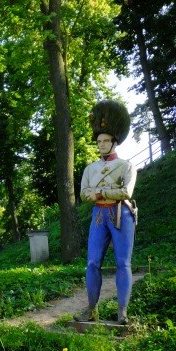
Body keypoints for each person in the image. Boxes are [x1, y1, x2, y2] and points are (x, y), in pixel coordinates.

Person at [74, 100, 137, 325]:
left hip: (122, 215)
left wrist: (99, 192)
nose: (101, 144)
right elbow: (83, 194)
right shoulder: (90, 169)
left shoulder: (126, 166)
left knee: (123, 263)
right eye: (99, 141)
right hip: (99, 216)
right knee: (92, 263)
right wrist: (106, 192)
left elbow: (126, 192)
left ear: (114, 141)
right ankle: (91, 309)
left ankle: (122, 312)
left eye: (105, 140)